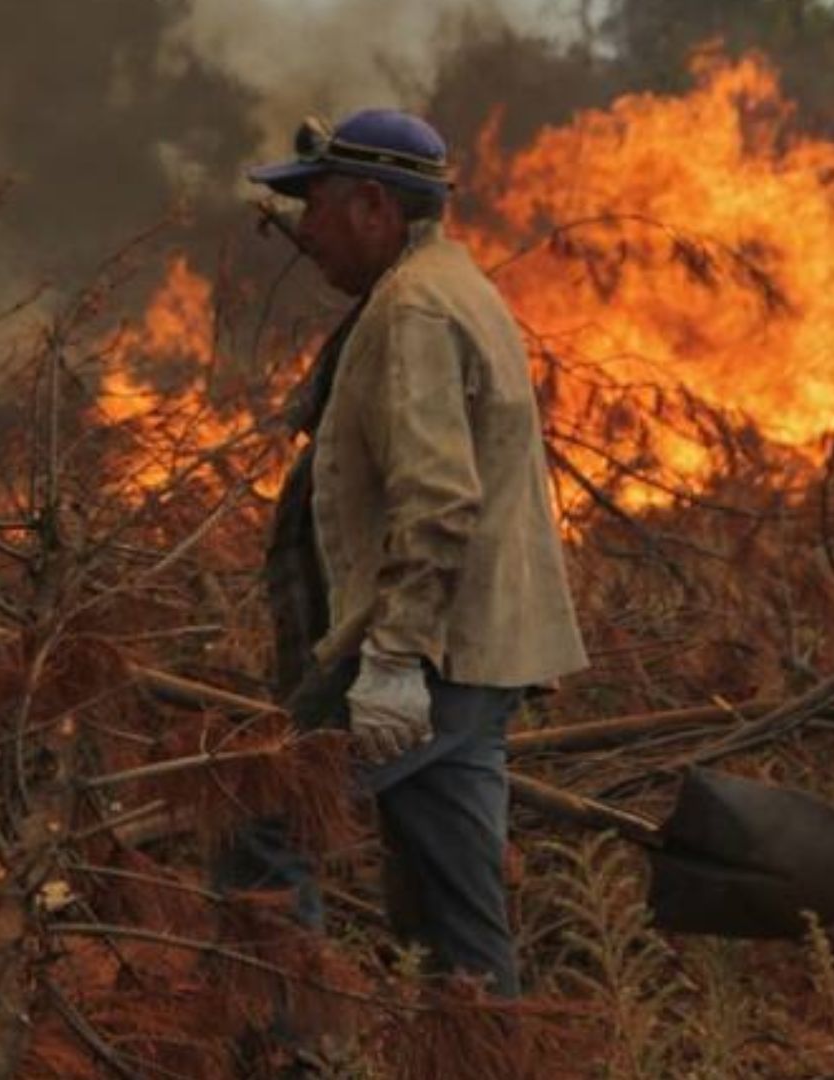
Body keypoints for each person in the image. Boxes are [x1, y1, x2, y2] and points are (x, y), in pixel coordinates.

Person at [247, 109, 588, 996]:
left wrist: (392, 664)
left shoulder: (412, 310)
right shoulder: (451, 286)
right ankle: (480, 1050)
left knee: (256, 814)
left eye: (314, 205)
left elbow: (436, 502)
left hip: (427, 651)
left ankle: (294, 1050)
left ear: (371, 206)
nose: (303, 230)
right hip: (474, 650)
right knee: (455, 919)